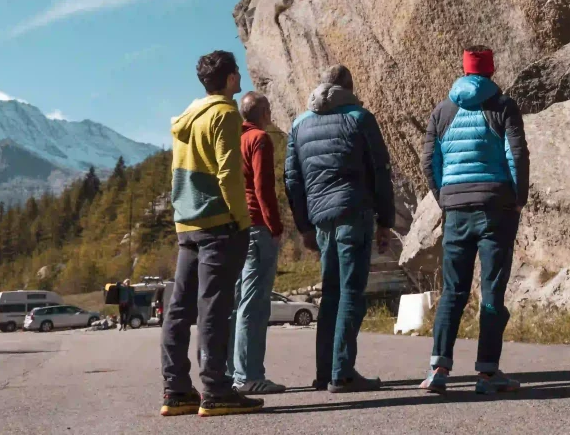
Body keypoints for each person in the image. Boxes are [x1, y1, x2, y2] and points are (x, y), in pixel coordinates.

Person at [418, 46, 529, 395]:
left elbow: (428, 161)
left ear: (463, 71)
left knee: (453, 290)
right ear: (491, 70)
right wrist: (517, 199)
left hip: (456, 210)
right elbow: (517, 155)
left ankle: (438, 368)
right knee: (492, 291)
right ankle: (487, 373)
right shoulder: (503, 106)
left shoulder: (442, 110)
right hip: (496, 206)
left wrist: (444, 197)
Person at [160, 50, 262, 418]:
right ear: (232, 78)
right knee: (215, 309)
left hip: (186, 224)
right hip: (219, 223)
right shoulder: (225, 113)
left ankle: (176, 391)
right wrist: (242, 219)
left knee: (179, 309)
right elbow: (229, 174)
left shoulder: (187, 117)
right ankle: (216, 390)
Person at [285, 64, 395, 393]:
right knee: (351, 293)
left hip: (321, 220)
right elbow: (380, 170)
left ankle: (325, 372)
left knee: (331, 294)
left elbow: (292, 180)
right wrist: (385, 222)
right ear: (348, 87)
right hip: (353, 212)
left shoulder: (299, 124)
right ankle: (342, 372)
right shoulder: (360, 118)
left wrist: (304, 226)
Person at [227, 91, 287, 395]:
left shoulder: (232, 139)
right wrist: (275, 227)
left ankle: (232, 373)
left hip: (236, 228)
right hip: (257, 228)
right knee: (255, 304)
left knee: (238, 304)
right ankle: (250, 375)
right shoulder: (259, 139)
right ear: (263, 112)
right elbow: (264, 188)